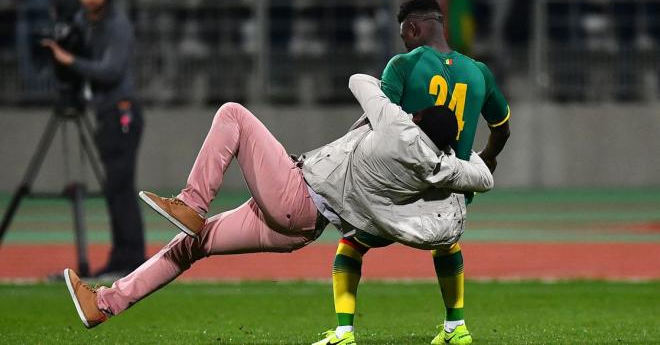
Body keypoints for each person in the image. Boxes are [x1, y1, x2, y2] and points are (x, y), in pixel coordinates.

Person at [63, 74, 494, 331]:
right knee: (192, 246)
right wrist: (459, 155)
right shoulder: (439, 166)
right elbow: (485, 177)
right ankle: (104, 305)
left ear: (415, 118)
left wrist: (395, 93)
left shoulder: (397, 128)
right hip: (304, 227)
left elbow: (360, 82)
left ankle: (192, 203)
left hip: (296, 192)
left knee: (232, 113)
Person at [318, 0, 511, 345]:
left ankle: (344, 331)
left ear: (412, 27)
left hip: (398, 193)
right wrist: (487, 157)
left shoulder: (403, 65)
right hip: (449, 195)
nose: (403, 41)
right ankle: (456, 327)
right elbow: (502, 127)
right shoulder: (479, 72)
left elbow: (381, 122)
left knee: (351, 244)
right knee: (447, 245)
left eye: (404, 34)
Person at [42, 0, 145, 278]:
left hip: (122, 112)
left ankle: (131, 260)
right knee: (115, 188)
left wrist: (69, 60)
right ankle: (121, 259)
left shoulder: (117, 25)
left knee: (121, 187)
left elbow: (111, 71)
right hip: (105, 113)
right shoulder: (84, 23)